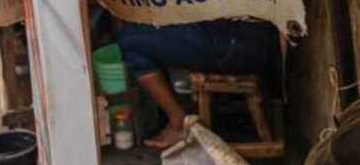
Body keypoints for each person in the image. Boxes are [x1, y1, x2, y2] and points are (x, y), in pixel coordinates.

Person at [116, 19, 279, 149]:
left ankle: (178, 122)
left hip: (237, 42)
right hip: (258, 38)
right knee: (141, 31)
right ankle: (184, 117)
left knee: (131, 40)